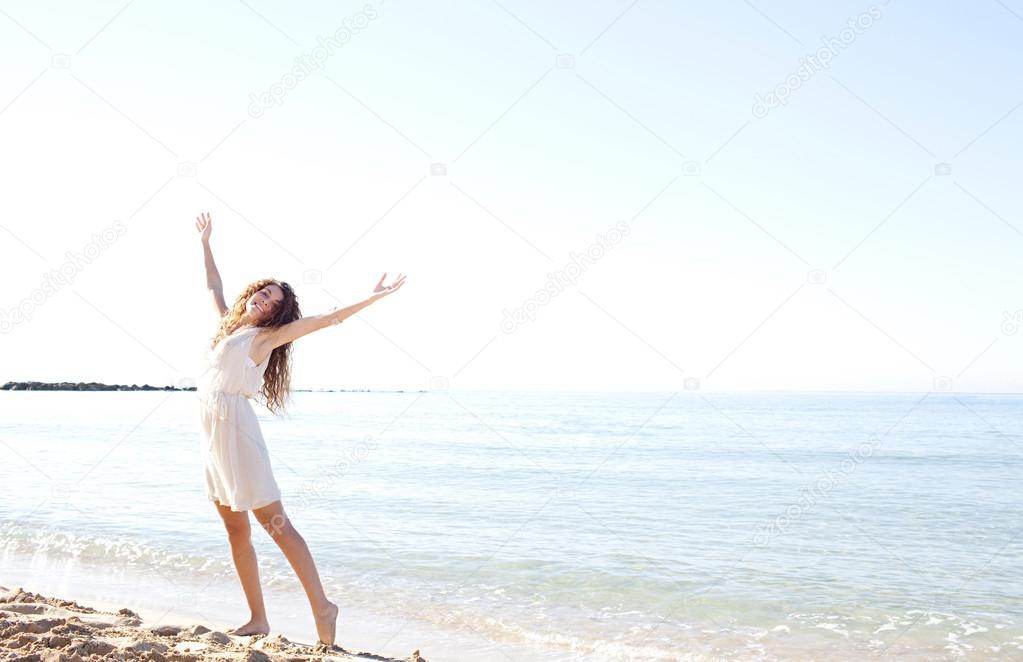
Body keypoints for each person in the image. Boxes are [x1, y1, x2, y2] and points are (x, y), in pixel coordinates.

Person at [193, 211, 406, 646]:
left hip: (237, 433)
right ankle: (257, 618)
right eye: (262, 293)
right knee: (235, 529)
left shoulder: (265, 339)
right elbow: (213, 284)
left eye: (272, 302)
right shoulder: (227, 327)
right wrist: (206, 241)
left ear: (276, 316)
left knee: (275, 523)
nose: (264, 300)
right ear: (251, 294)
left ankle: (323, 607)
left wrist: (373, 297)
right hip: (212, 436)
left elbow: (327, 319)